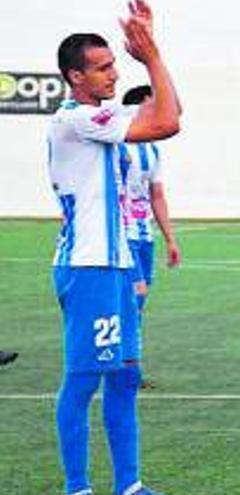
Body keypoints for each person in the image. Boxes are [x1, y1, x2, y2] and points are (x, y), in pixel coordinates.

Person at [48, 1, 181, 493]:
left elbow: (171, 112)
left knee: (124, 379)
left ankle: (129, 485)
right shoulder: (75, 120)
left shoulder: (99, 115)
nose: (112, 74)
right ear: (74, 76)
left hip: (116, 266)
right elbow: (165, 123)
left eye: (114, 64)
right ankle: (77, 488)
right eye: (102, 68)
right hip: (89, 268)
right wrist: (151, 58)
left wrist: (153, 50)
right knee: (83, 381)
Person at [119, 85, 182, 389]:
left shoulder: (152, 149)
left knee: (137, 304)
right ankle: (125, 369)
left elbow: (157, 195)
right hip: (122, 234)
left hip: (145, 237)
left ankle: (128, 364)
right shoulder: (118, 144)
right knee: (135, 296)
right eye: (152, 105)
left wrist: (170, 238)